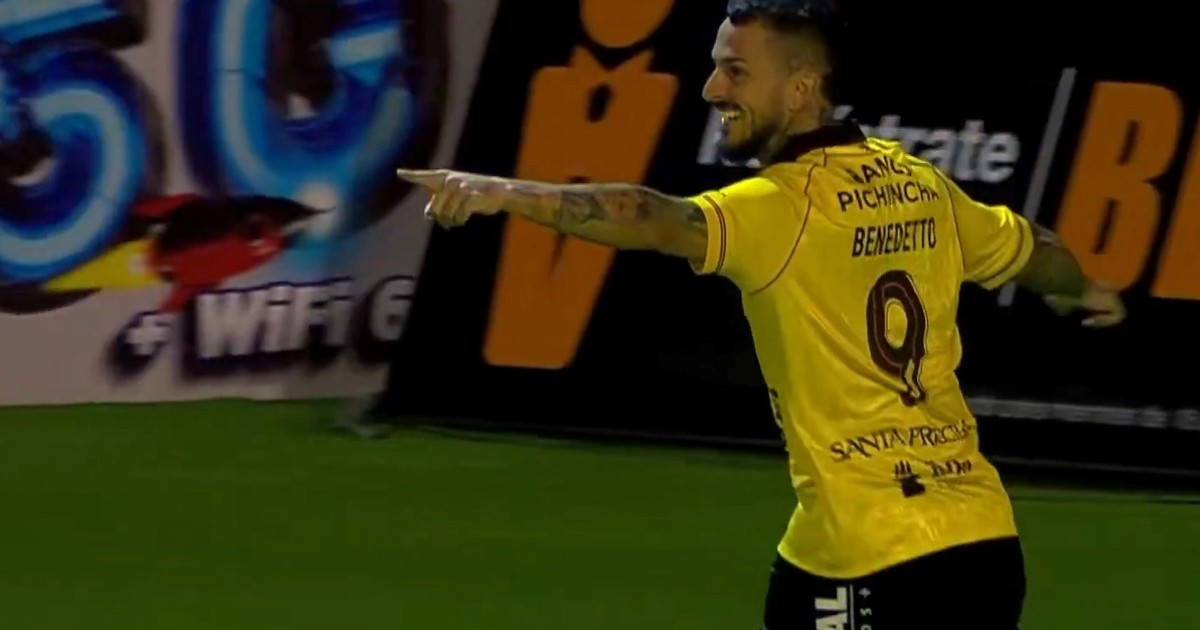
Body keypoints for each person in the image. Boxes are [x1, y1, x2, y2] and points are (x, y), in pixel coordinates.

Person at [398, 0, 1126, 627]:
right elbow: (1035, 250)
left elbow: (650, 216)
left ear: (801, 88)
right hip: (979, 544)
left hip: (873, 556)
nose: (712, 88)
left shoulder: (782, 208)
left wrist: (501, 192)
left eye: (736, 72)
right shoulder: (921, 185)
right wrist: (1082, 288)